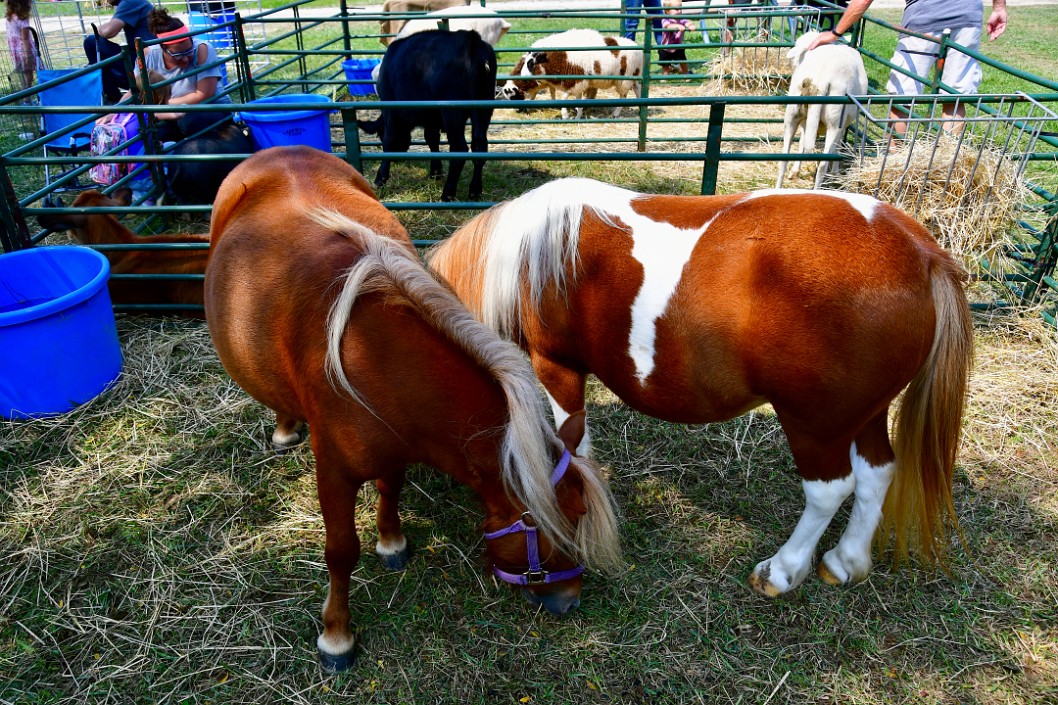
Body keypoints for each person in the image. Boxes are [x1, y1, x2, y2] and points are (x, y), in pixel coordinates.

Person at [806, 0, 1008, 134]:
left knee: (903, 97)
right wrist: (999, 8)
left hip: (924, 18)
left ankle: (894, 164)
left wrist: (835, 32)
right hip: (967, 18)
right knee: (954, 97)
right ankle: (950, 170)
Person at [135, 7, 232, 142]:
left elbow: (203, 95)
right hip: (168, 113)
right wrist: (115, 110)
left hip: (207, 107)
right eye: (178, 55)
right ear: (162, 48)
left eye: (189, 51)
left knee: (190, 122)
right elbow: (136, 91)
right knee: (155, 133)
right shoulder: (149, 55)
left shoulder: (202, 49)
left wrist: (160, 106)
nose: (186, 59)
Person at [83, 0, 155, 104]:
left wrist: (98, 29)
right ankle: (114, 96)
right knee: (101, 60)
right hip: (143, 56)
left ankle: (113, 99)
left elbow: (109, 31)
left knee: (91, 41)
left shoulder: (129, 2)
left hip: (147, 61)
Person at [5, 0, 35, 97]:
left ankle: (24, 98)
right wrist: (28, 56)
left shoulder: (11, 17)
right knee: (29, 76)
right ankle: (26, 100)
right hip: (25, 50)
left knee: (24, 75)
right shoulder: (22, 19)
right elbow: (25, 39)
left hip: (15, 50)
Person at [659, 0, 694, 75]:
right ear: (667, 11)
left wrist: (690, 25)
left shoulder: (681, 20)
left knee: (683, 61)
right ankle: (665, 76)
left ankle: (686, 74)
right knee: (665, 64)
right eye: (676, 9)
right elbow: (668, 26)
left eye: (680, 8)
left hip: (678, 46)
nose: (679, 11)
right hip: (666, 47)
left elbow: (687, 22)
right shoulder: (665, 19)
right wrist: (677, 26)